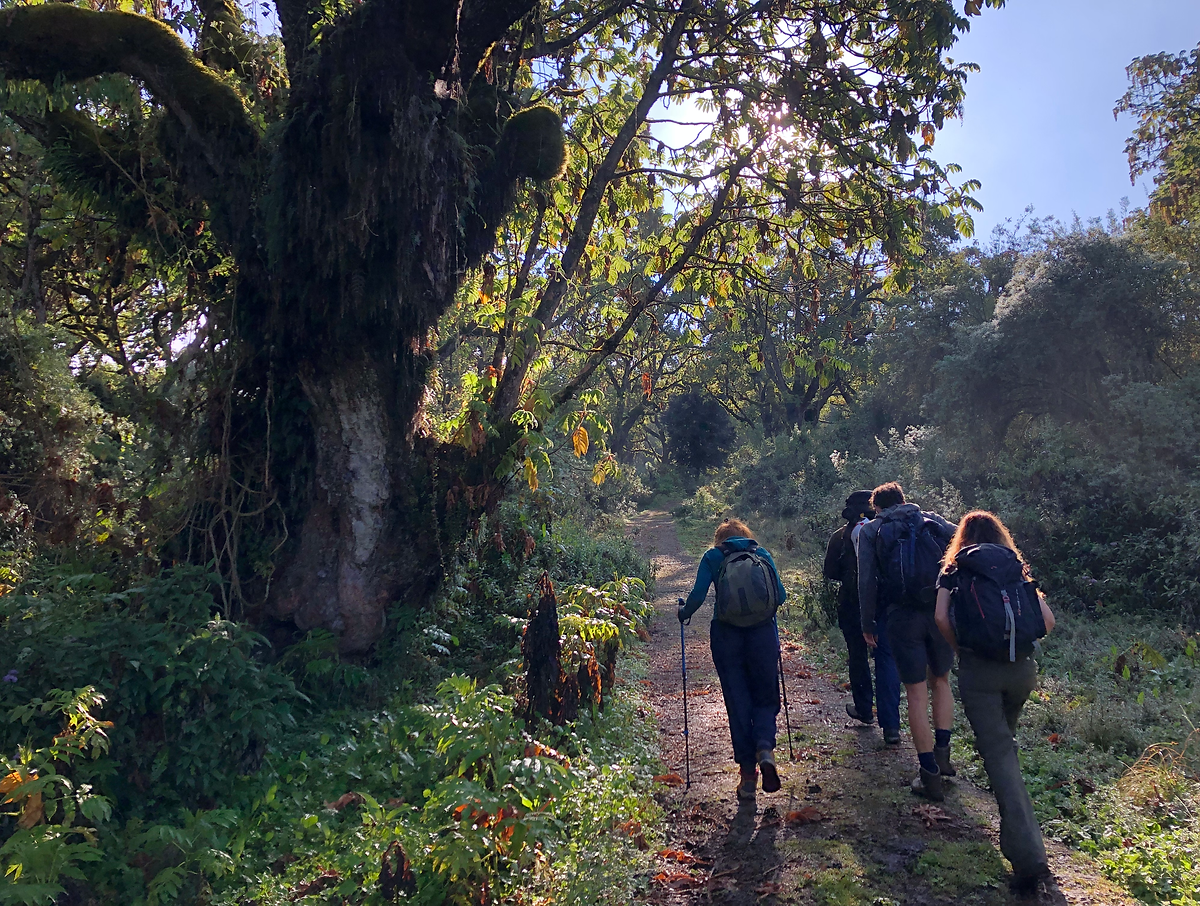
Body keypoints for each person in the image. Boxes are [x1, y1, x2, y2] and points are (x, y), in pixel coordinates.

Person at [934, 511, 1056, 895]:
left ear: (961, 537)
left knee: (1001, 758)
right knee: (1005, 748)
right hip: (1021, 671)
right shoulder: (1015, 568)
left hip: (980, 673)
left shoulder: (954, 569)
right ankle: (1018, 834)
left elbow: (940, 616)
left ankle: (1029, 858)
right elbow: (1047, 620)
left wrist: (961, 651)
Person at [857, 482, 957, 799]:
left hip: (901, 616)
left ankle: (928, 774)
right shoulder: (935, 521)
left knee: (915, 693)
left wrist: (868, 622)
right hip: (939, 612)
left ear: (878, 508)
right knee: (941, 681)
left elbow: (867, 580)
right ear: (904, 500)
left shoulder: (873, 530)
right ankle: (943, 755)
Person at [678, 518, 787, 802]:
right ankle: (765, 746)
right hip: (763, 634)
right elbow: (782, 596)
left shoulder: (713, 556)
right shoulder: (761, 554)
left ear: (720, 540)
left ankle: (748, 777)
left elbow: (699, 594)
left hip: (726, 636)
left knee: (738, 702)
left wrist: (683, 612)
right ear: (745, 536)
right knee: (765, 696)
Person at [823, 490, 900, 732]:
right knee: (886, 659)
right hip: (885, 603)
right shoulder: (889, 531)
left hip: (851, 603)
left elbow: (830, 572)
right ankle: (891, 725)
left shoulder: (840, 536)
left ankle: (865, 709)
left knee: (858, 656)